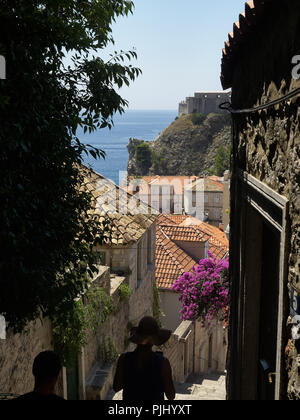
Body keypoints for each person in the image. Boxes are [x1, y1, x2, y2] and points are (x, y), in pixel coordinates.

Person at [113, 316, 176, 401]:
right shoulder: (163, 363)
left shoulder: (124, 359)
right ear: (155, 340)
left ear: (138, 338)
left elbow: (116, 387)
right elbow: (171, 395)